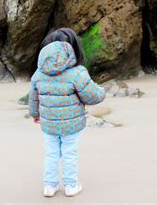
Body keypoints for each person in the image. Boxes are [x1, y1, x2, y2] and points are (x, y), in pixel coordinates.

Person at [28, 28, 105, 197]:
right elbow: (92, 96)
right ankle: (71, 185)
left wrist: (35, 114)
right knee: (70, 153)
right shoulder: (77, 72)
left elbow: (33, 98)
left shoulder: (38, 74)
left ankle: (49, 186)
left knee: (51, 154)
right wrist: (102, 91)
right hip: (72, 124)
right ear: (73, 49)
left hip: (48, 124)